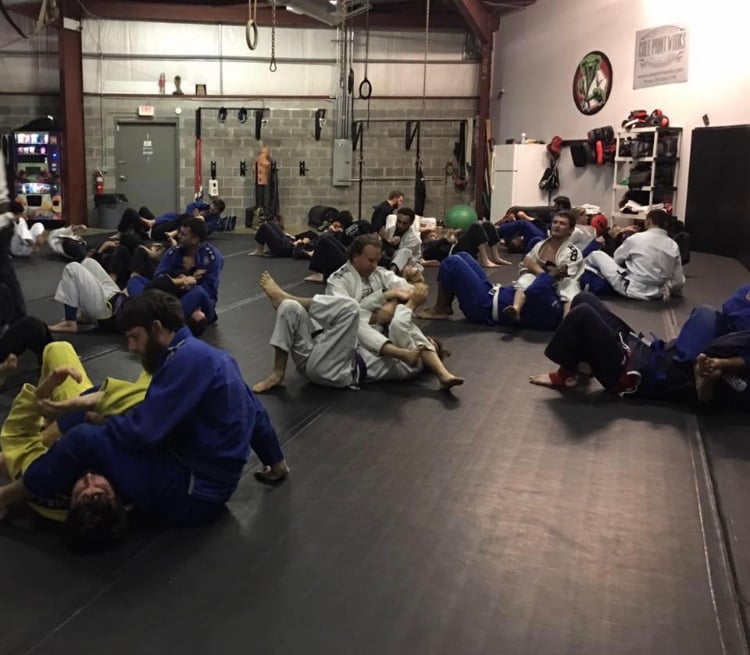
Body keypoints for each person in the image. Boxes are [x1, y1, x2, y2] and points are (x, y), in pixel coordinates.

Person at [0, 291, 290, 551]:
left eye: (134, 337)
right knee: (102, 411)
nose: (132, 347)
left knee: (84, 438)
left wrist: (94, 419)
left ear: (157, 328)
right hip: (204, 486)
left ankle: (5, 497)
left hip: (190, 495)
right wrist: (275, 461)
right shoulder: (214, 358)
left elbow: (143, 432)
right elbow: (256, 413)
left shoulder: (186, 360)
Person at [0, 340, 151, 524]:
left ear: (70, 503)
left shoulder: (45, 486)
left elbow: (18, 436)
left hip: (71, 421)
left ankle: (47, 424)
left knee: (57, 349)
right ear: (117, 498)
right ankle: (49, 423)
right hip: (99, 407)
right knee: (156, 371)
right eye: (102, 489)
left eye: (81, 490)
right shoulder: (136, 482)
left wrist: (43, 392)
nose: (89, 478)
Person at [529, 292, 750, 410]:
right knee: (583, 298)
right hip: (644, 349)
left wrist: (723, 366)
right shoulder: (723, 327)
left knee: (583, 314)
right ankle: (583, 368)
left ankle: (565, 374)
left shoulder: (723, 358)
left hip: (635, 375)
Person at [252, 272, 452, 392]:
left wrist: (411, 304)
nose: (426, 343)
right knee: (289, 308)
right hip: (316, 360)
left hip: (336, 370)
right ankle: (277, 373)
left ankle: (289, 297)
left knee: (349, 308)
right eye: (429, 342)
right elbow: (365, 312)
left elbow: (400, 325)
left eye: (430, 346)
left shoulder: (414, 362)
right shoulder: (403, 344)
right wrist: (388, 296)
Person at [326, 234, 463, 389]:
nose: (375, 265)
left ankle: (443, 374)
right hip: (355, 335)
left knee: (402, 325)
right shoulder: (337, 281)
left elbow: (409, 290)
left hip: (383, 329)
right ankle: (413, 355)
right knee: (369, 324)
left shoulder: (378, 273)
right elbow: (345, 313)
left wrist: (393, 301)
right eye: (370, 260)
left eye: (377, 260)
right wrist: (384, 299)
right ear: (355, 256)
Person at [416, 252, 564, 330]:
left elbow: (533, 291)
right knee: (463, 255)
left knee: (452, 263)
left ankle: (440, 310)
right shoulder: (556, 296)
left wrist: (549, 275)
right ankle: (446, 306)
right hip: (491, 292)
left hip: (484, 307)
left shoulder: (554, 309)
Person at [583, 208, 685, 301]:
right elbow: (678, 281)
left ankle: (582, 280)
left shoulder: (637, 238)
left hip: (631, 289)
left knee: (596, 254)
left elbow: (617, 259)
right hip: (657, 293)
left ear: (648, 222)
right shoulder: (673, 245)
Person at [503, 211, 583, 322]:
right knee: (526, 278)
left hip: (560, 285)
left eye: (562, 223)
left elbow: (563, 273)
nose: (557, 226)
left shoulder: (572, 252)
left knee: (569, 285)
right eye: (555, 222)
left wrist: (536, 268)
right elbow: (526, 263)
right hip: (540, 283)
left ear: (571, 230)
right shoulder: (540, 245)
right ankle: (516, 309)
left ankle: (567, 319)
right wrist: (541, 271)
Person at [150, 217, 223, 325]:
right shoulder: (173, 252)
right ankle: (167, 318)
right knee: (139, 281)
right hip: (174, 298)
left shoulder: (212, 258)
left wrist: (183, 283)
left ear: (195, 240)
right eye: (179, 232)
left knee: (198, 293)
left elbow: (208, 290)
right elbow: (159, 278)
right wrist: (183, 280)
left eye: (183, 234)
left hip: (201, 303)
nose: (178, 236)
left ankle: (166, 322)